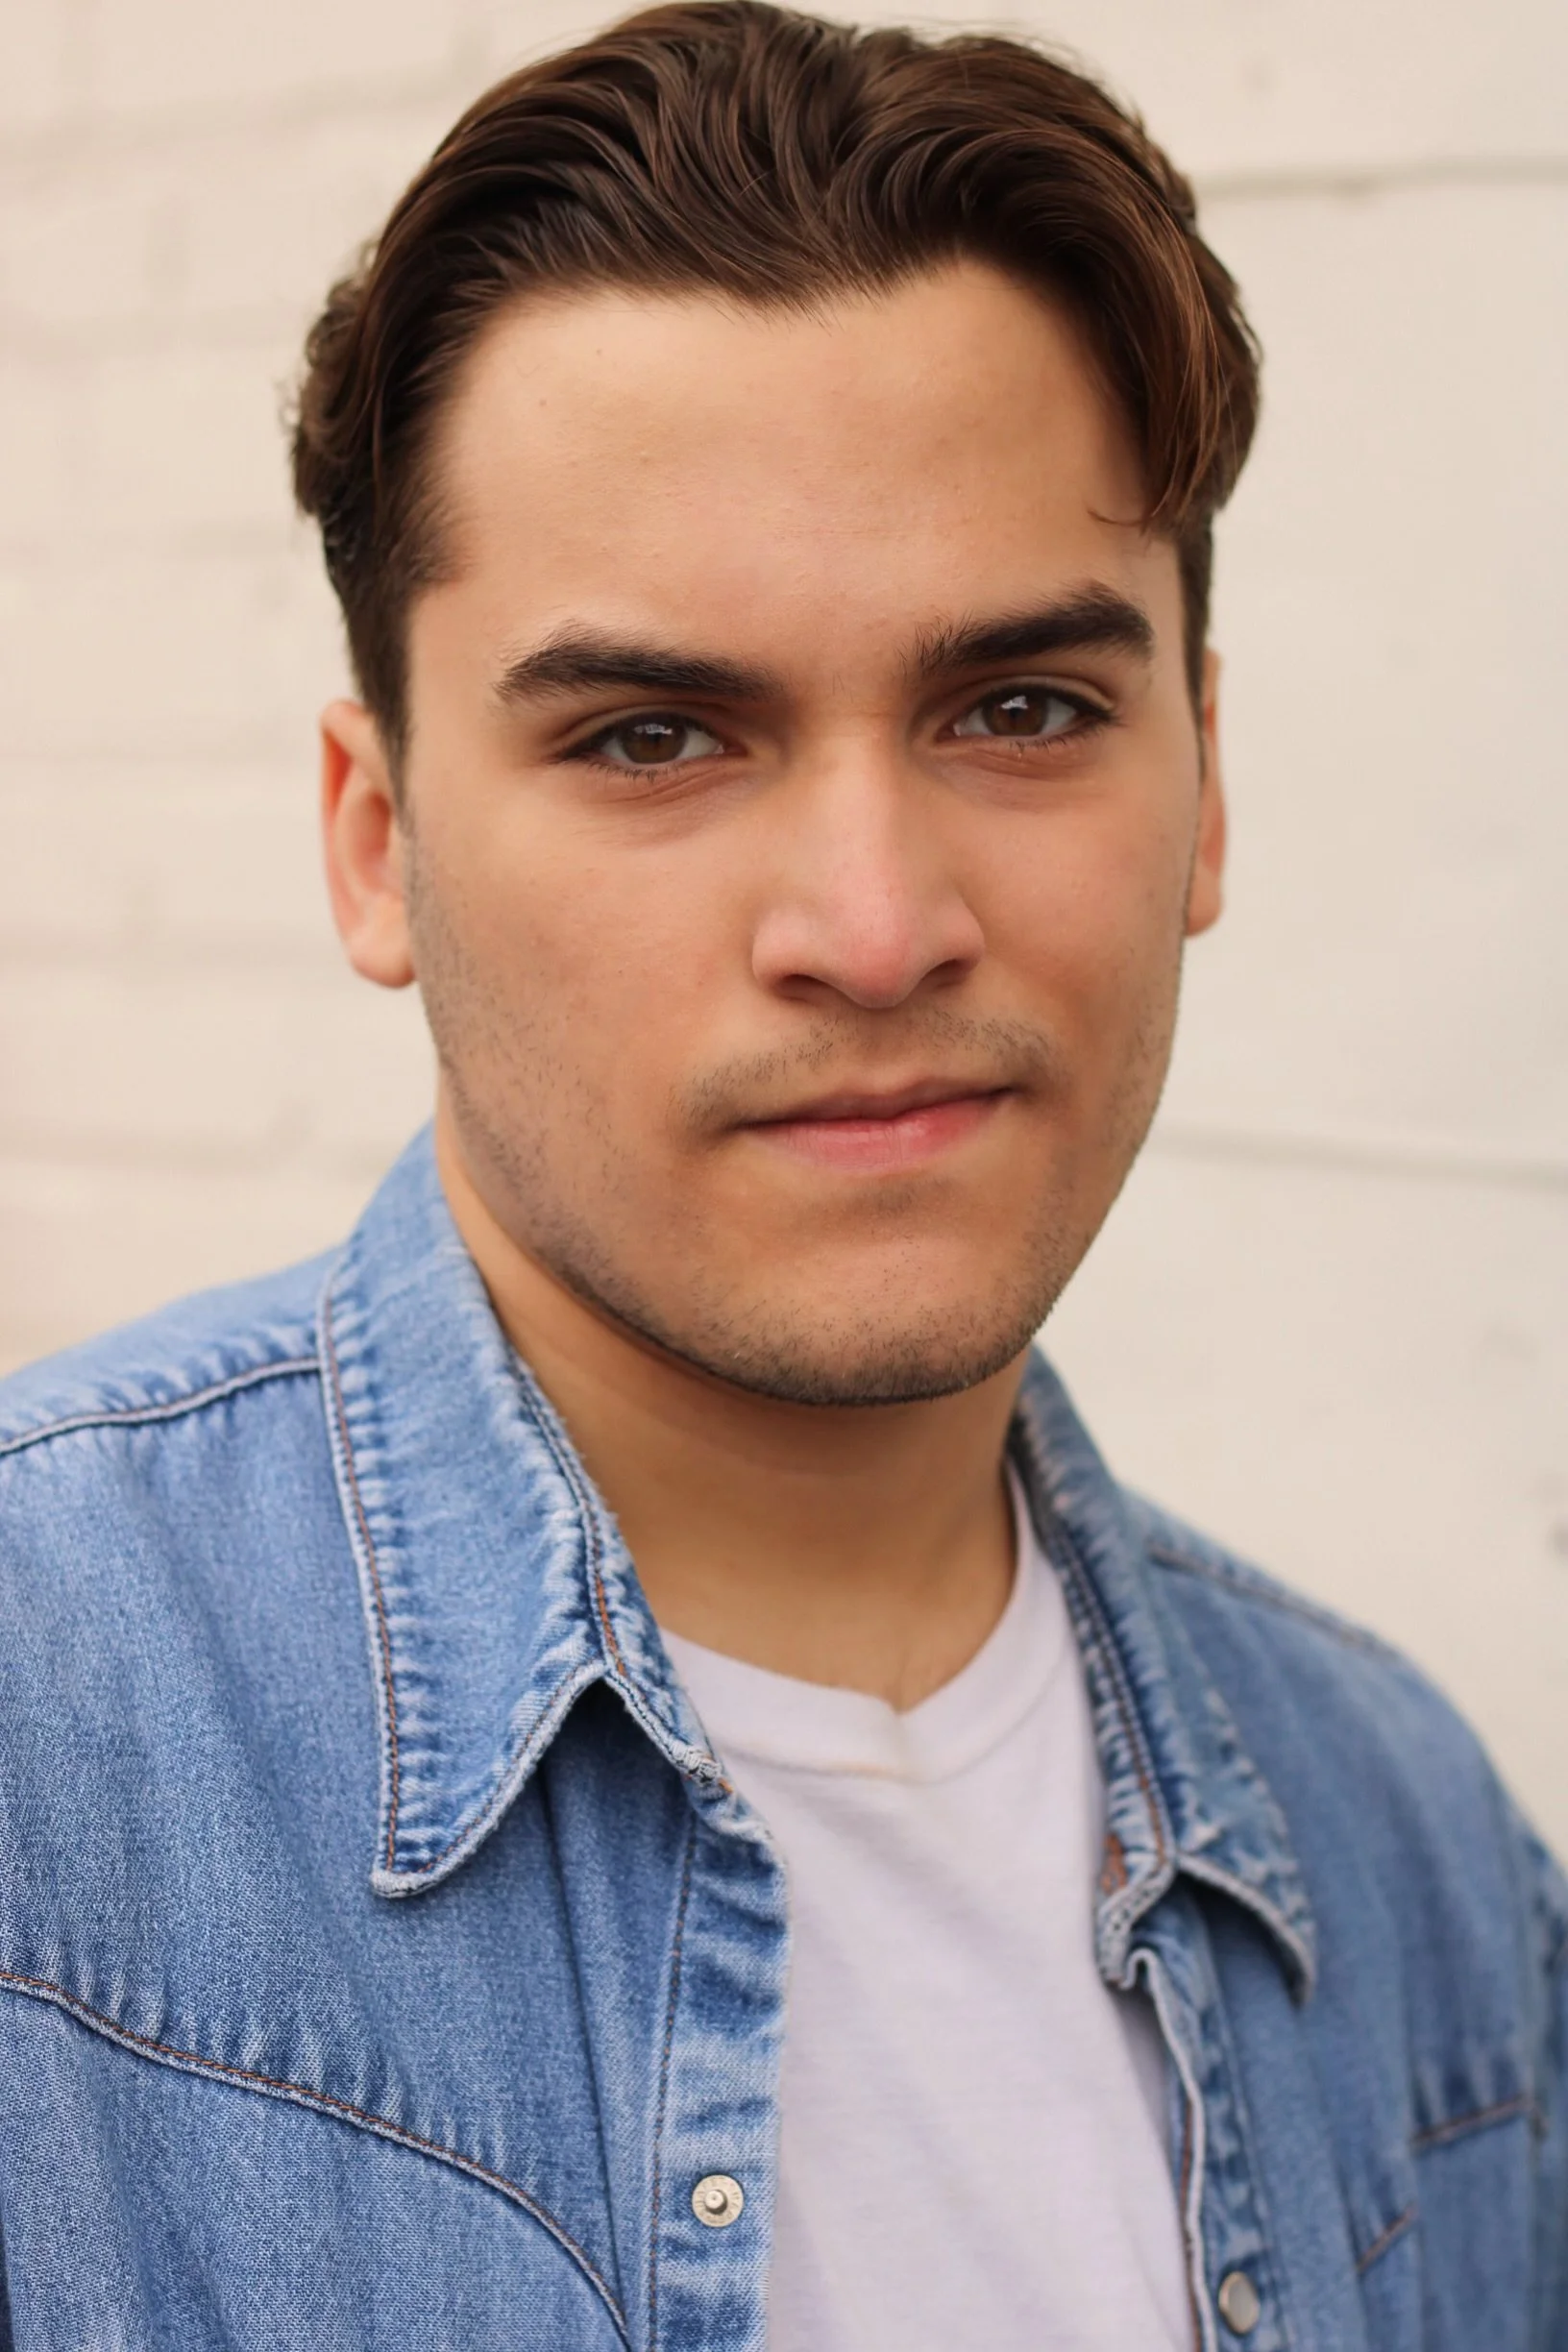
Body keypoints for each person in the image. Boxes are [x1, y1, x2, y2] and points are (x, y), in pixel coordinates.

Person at [0, 3, 1561, 2342]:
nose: (872, 922)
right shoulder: (48, 1764)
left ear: (1205, 787)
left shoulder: (1421, 1862)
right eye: (655, 735)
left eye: (1020, 709)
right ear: (377, 843)